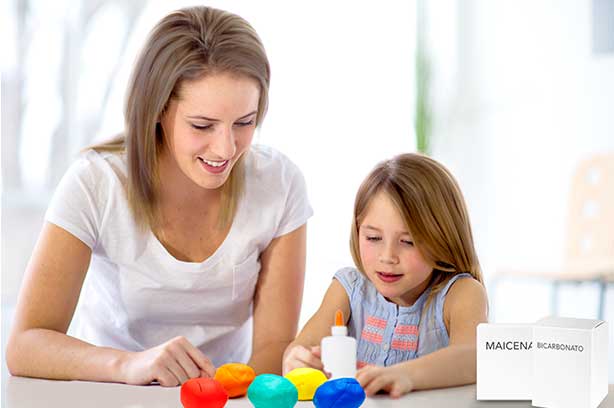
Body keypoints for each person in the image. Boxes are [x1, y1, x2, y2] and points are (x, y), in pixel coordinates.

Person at [6, 6, 312, 387]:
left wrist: (221, 389)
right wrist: (130, 365)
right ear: (157, 110)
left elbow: (273, 345)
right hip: (111, 390)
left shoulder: (279, 184)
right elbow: (25, 345)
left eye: (245, 123)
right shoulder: (95, 183)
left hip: (224, 395)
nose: (225, 149)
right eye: (203, 125)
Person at [282, 153, 488, 398]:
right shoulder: (349, 289)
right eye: (373, 238)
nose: (388, 256)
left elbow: (474, 357)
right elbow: (300, 348)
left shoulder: (461, 294)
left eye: (408, 241)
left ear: (442, 238)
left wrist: (406, 375)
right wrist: (296, 360)